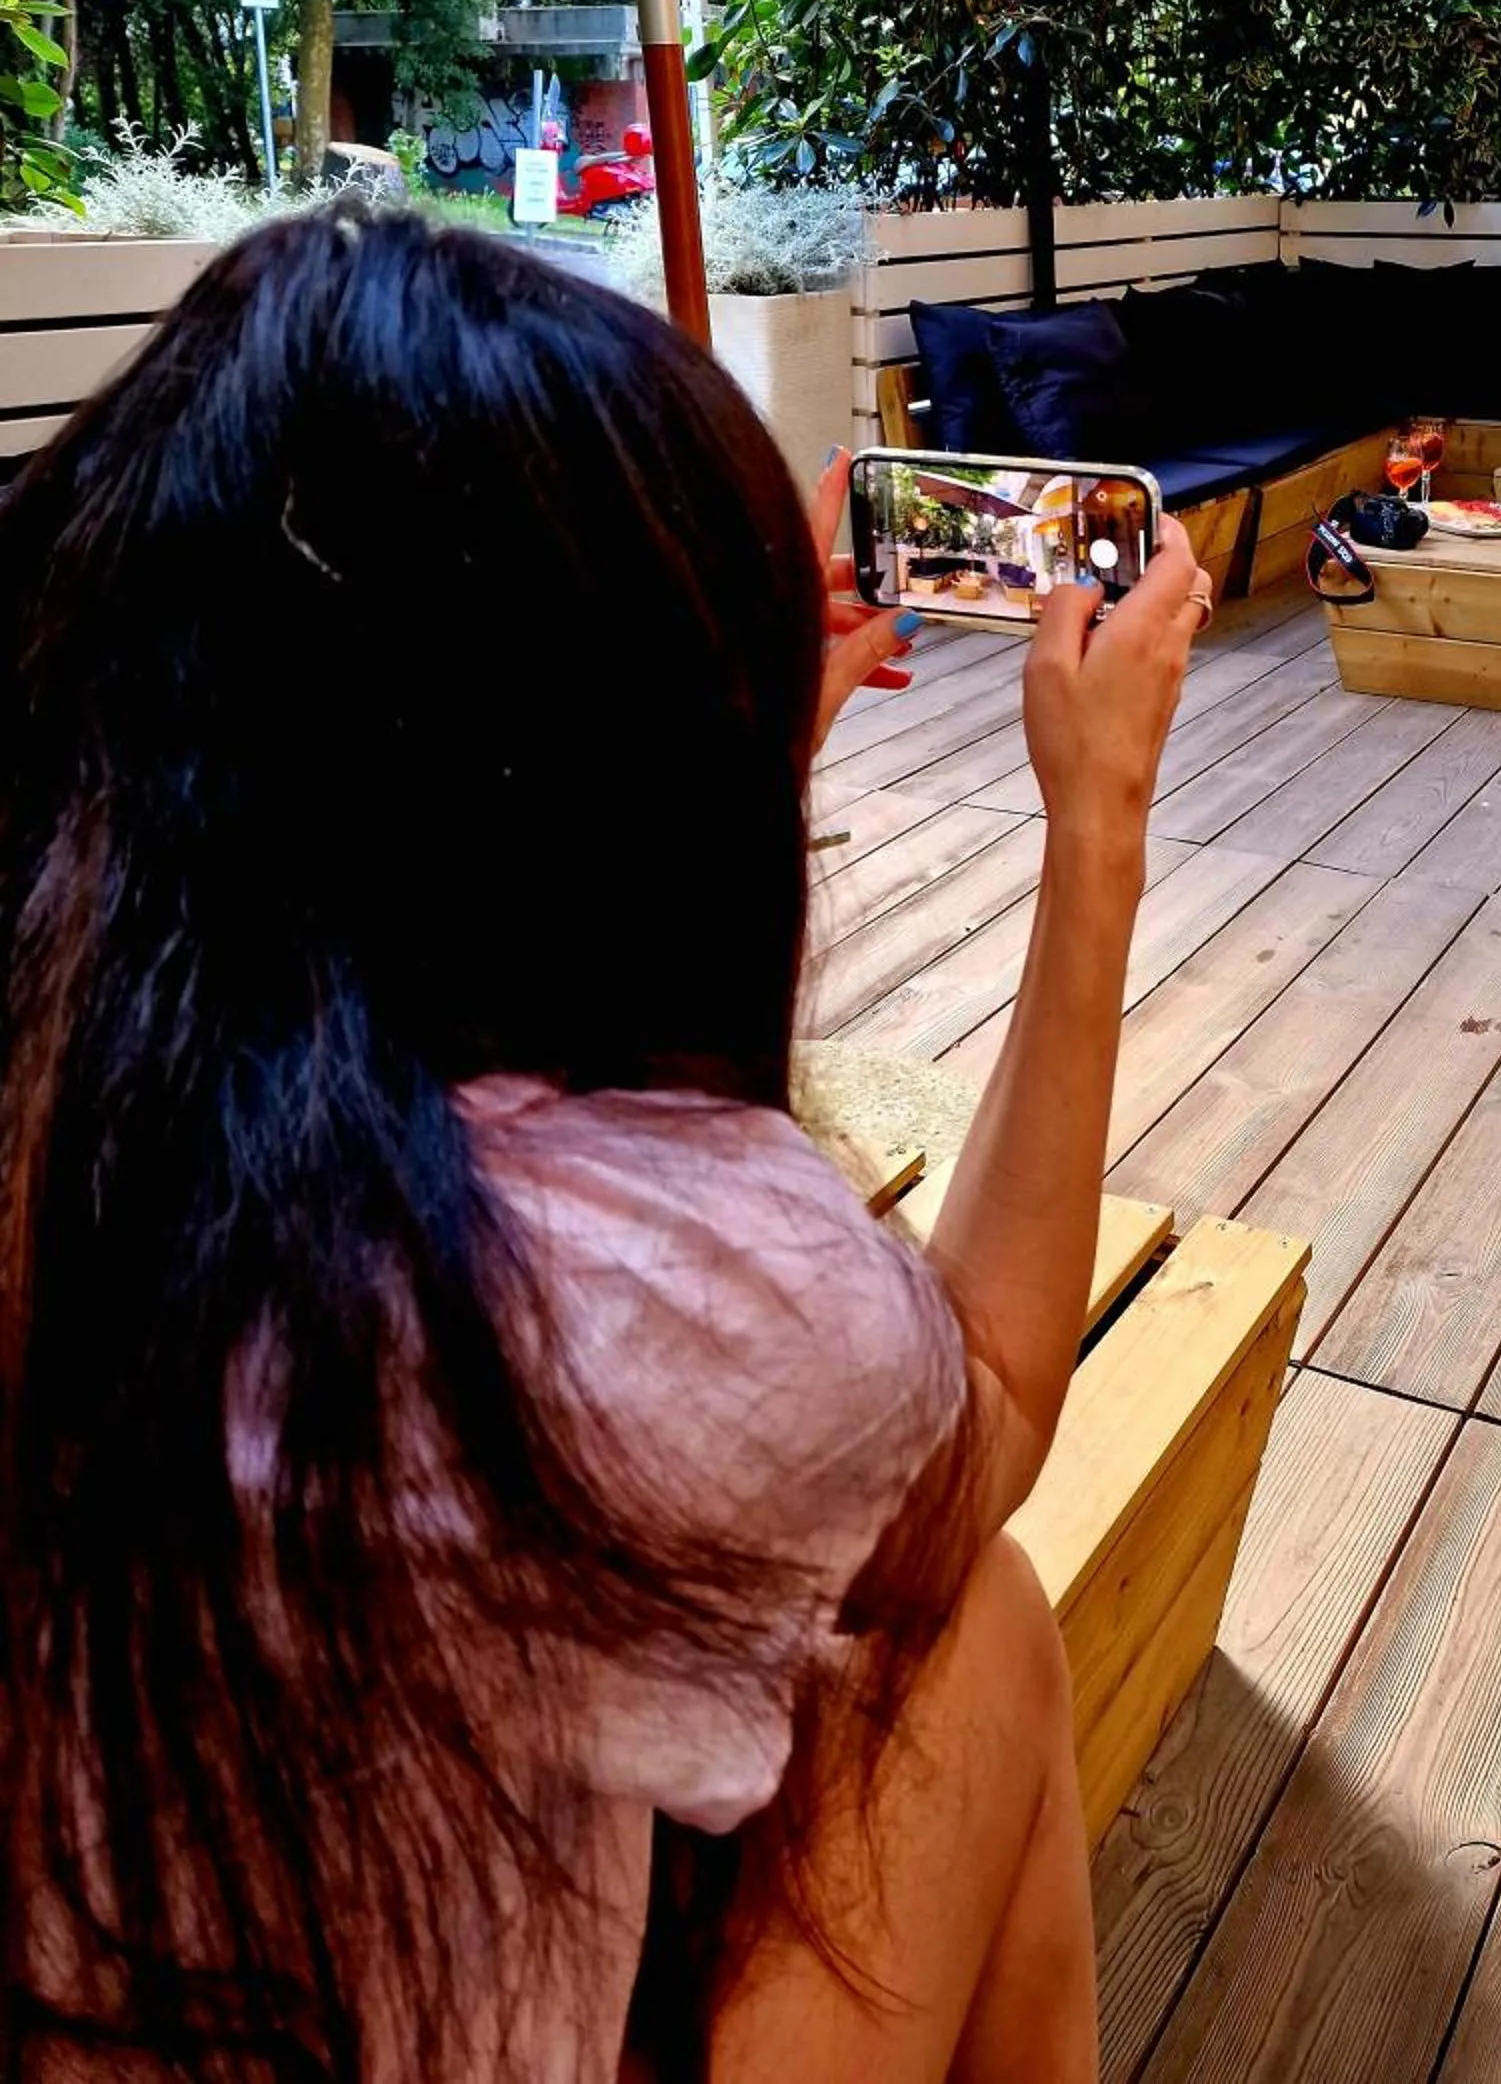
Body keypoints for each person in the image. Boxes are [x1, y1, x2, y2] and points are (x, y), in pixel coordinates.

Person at [0, 201, 1211, 2083]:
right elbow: (980, 1413)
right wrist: (1098, 825)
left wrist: (718, 759)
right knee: (974, 1637)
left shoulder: (81, 1076)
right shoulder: (605, 1281)